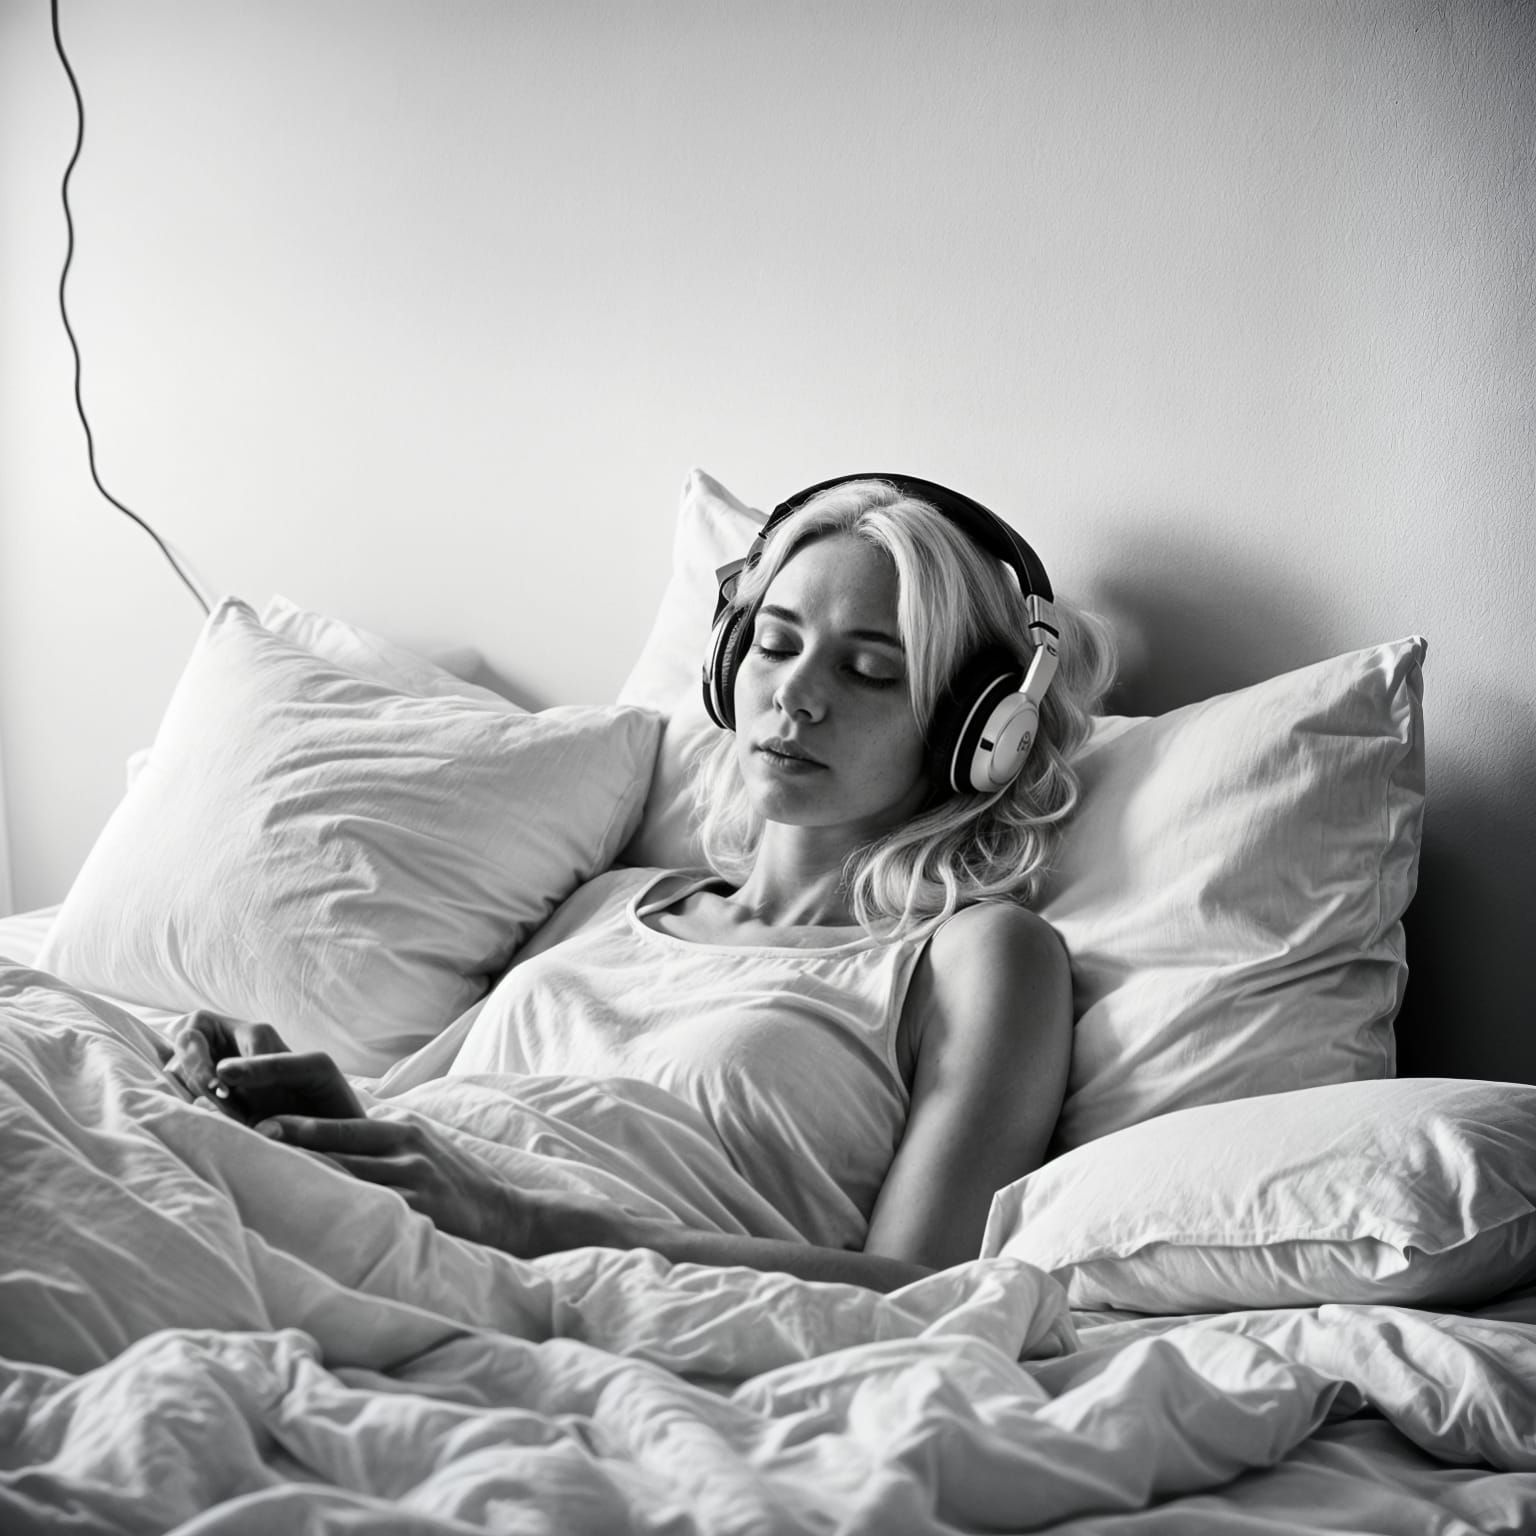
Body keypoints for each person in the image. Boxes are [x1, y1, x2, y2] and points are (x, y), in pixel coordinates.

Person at [169, 475, 1116, 1292]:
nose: (795, 695)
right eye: (774, 645)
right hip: (359, 1226)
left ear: (975, 732)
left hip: (544, 1288)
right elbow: (423, 1126)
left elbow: (924, 1290)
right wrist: (299, 1102)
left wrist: (523, 1225)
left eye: (869, 670)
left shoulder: (978, 955)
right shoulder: (610, 901)